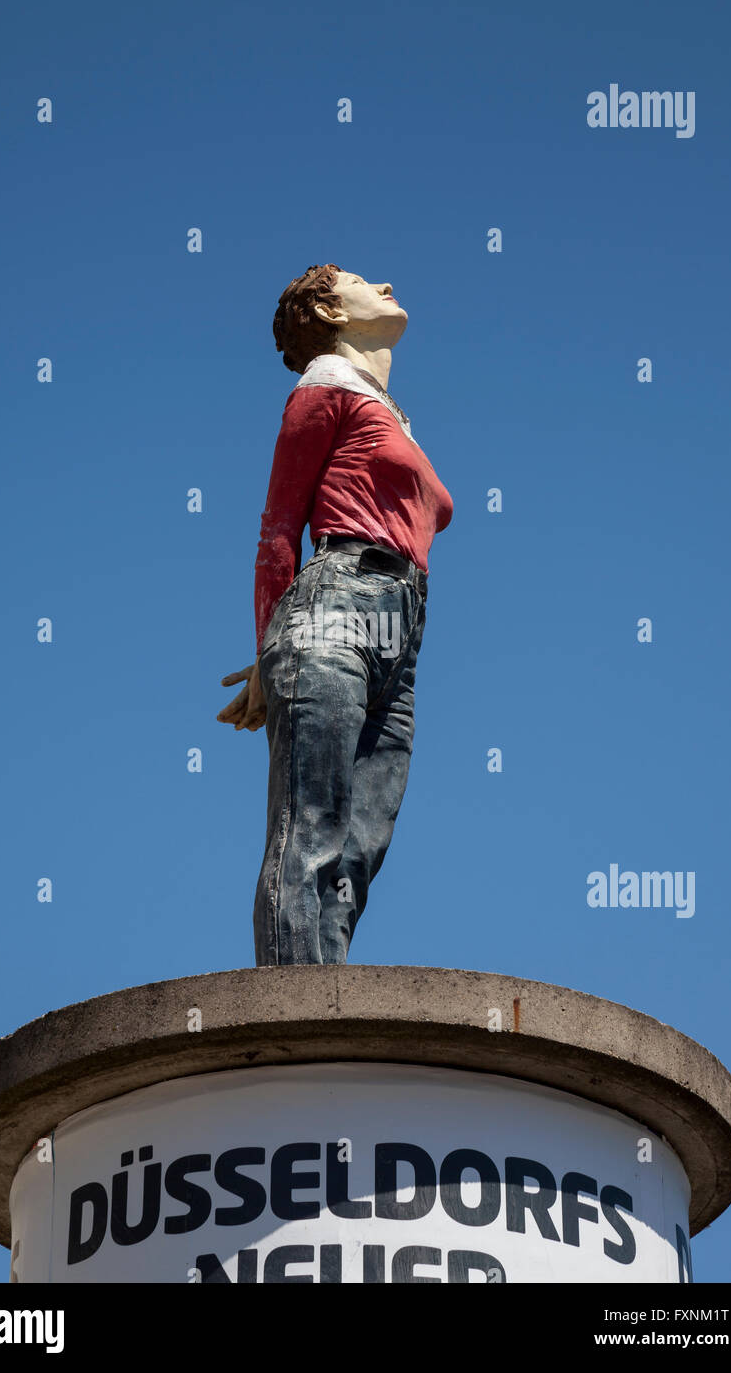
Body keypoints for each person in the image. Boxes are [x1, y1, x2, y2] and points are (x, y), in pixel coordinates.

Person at [217, 263, 453, 965]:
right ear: (328, 308)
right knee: (309, 830)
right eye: (360, 280)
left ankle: (328, 1012)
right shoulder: (323, 387)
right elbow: (278, 528)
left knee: (359, 852)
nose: (385, 286)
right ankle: (293, 1024)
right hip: (336, 607)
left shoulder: (391, 415)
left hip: (400, 633)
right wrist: (267, 647)